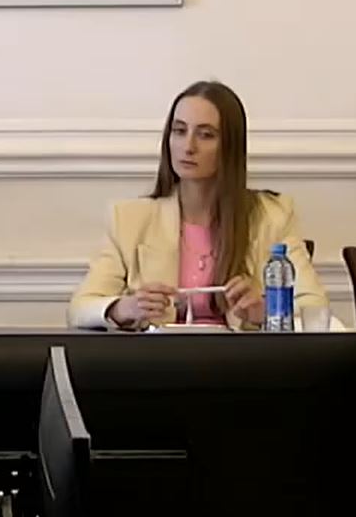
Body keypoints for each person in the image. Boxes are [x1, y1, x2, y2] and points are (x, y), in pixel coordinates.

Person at [68, 80, 328, 331]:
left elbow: (315, 308)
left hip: (242, 358)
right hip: (160, 357)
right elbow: (79, 308)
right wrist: (123, 308)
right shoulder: (129, 219)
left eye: (205, 135)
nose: (188, 146)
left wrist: (266, 312)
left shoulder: (273, 215)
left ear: (229, 146)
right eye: (179, 131)